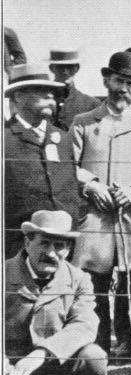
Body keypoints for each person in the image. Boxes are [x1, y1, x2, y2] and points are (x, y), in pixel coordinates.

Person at [69, 52, 131, 374]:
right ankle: (93, 357)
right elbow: (65, 168)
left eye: (130, 83)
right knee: (91, 290)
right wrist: (91, 184)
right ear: (106, 80)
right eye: (119, 81)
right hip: (96, 221)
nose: (124, 89)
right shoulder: (83, 123)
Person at [5, 211, 106, 375]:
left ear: (69, 248)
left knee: (93, 357)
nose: (51, 253)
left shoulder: (79, 280)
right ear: (27, 242)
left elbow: (85, 325)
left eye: (59, 245)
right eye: (44, 243)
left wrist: (41, 353)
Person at [4, 64, 83, 258]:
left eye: (52, 93)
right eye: (42, 92)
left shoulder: (62, 138)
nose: (51, 97)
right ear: (19, 96)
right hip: (17, 245)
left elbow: (71, 184)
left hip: (62, 244)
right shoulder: (5, 138)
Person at [47, 49, 101, 130]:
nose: (65, 71)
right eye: (60, 67)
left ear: (77, 68)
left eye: (70, 67)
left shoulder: (91, 104)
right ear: (51, 68)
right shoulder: (40, 101)